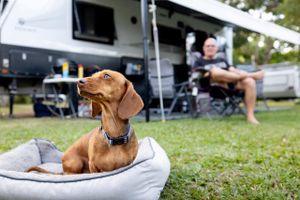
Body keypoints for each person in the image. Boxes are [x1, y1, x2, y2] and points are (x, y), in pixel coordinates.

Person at [193, 37, 264, 124]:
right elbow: (201, 75)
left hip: (229, 86)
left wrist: (239, 74)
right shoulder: (199, 62)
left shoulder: (222, 60)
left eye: (212, 46)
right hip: (213, 88)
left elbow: (233, 70)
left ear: (216, 48)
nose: (210, 48)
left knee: (250, 82)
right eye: (208, 46)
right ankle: (251, 75)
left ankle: (250, 116)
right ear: (204, 48)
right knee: (214, 71)